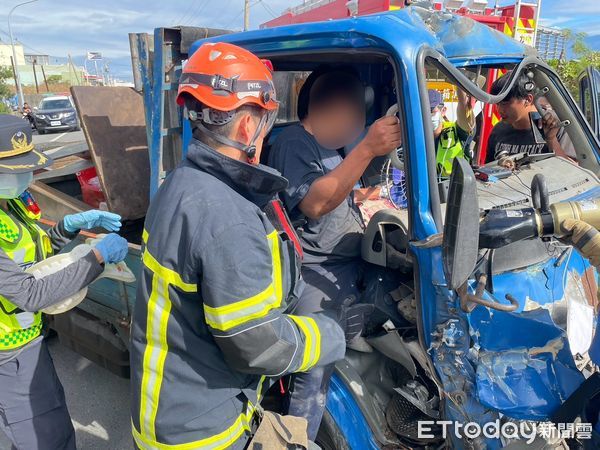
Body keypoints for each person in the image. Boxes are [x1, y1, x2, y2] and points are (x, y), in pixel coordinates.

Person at [130, 43, 346, 450]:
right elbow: (258, 344)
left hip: (164, 406)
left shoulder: (178, 184)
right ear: (248, 127)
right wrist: (330, 334)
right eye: (265, 119)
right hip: (203, 431)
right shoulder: (227, 215)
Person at [268, 65, 402, 440]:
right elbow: (314, 202)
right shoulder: (294, 142)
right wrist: (367, 148)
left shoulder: (333, 147)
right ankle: (298, 436)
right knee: (317, 359)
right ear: (331, 109)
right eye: (356, 114)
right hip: (313, 269)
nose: (359, 124)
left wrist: (367, 193)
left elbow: (341, 191)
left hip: (350, 259)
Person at [0, 114, 128, 450]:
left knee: (48, 418)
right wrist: (95, 260)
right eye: (14, 171)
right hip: (7, 354)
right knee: (43, 437)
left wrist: (67, 229)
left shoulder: (10, 203)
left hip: (26, 341)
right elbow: (31, 293)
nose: (25, 177)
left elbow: (34, 260)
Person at [485, 71, 575, 164]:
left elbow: (575, 171)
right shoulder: (498, 131)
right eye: (497, 103)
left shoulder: (555, 125)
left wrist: (551, 140)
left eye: (504, 103)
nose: (499, 110)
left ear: (528, 99)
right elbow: (488, 171)